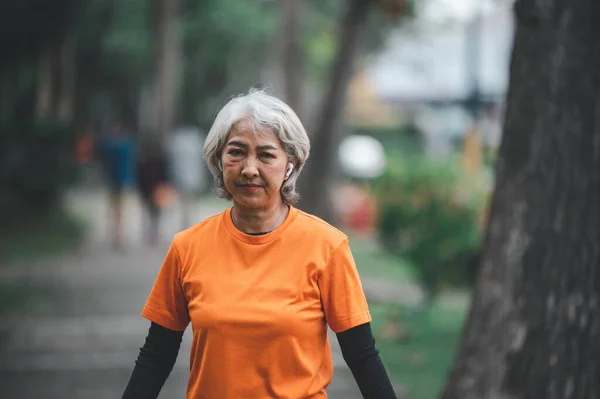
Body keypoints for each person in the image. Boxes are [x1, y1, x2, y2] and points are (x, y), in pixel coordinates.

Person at [122, 89, 397, 399]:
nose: (249, 168)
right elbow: (157, 354)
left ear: (290, 163)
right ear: (219, 158)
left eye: (266, 155)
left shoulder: (326, 246)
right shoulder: (188, 247)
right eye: (236, 152)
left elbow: (361, 355)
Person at [97, 121, 136, 250]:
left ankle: (114, 234)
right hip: (122, 181)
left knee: (113, 208)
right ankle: (118, 236)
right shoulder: (126, 146)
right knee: (120, 210)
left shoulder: (110, 146)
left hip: (113, 181)